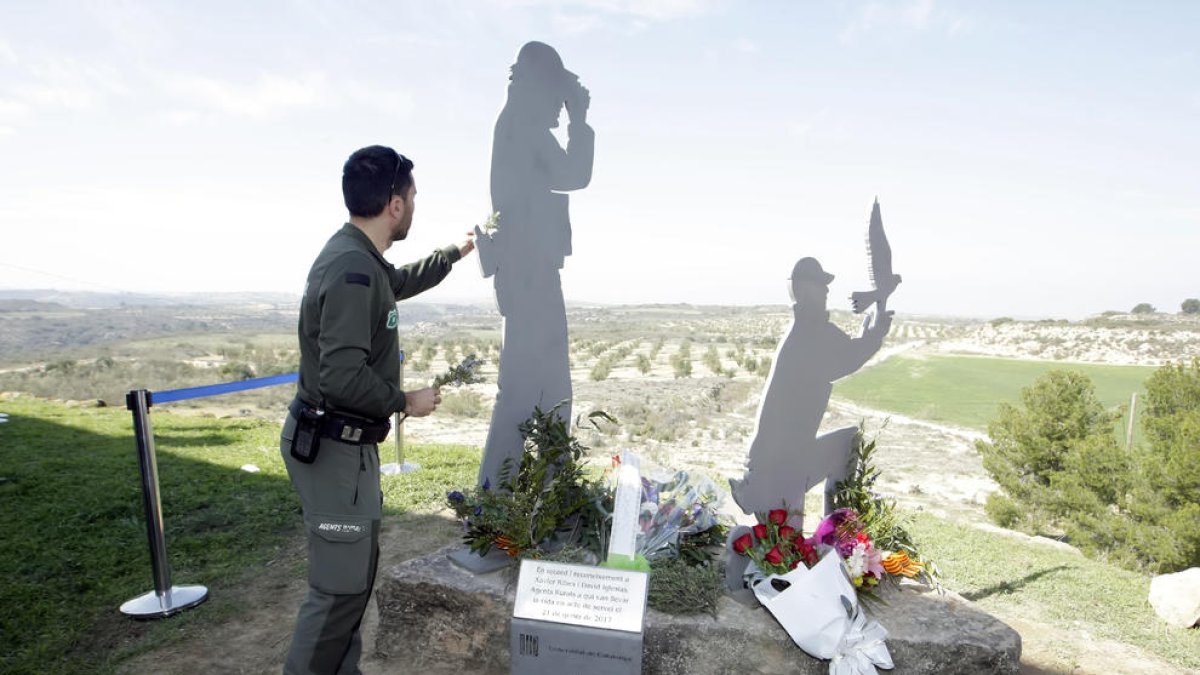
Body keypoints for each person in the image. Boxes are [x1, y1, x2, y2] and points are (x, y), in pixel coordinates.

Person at [280, 145, 474, 674]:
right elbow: (340, 375)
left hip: (347, 448)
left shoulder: (361, 259)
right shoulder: (353, 271)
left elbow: (400, 282)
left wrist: (458, 251)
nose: (413, 206)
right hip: (333, 449)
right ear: (394, 203)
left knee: (353, 586)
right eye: (412, 197)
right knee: (337, 593)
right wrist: (403, 401)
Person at [473, 41, 594, 489]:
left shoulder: (516, 123)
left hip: (530, 274)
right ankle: (495, 500)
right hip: (530, 276)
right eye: (557, 97)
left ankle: (545, 492)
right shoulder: (523, 124)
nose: (561, 110)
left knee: (549, 392)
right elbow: (573, 175)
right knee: (526, 393)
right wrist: (580, 120)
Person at [729, 257, 893, 517]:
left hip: (792, 454)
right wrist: (874, 333)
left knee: (847, 444)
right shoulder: (807, 332)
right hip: (779, 464)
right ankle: (761, 500)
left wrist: (873, 332)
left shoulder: (811, 329)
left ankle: (837, 531)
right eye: (821, 285)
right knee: (783, 550)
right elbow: (848, 357)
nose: (827, 291)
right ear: (805, 289)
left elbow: (847, 352)